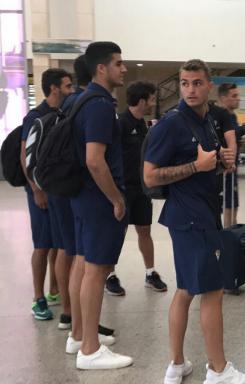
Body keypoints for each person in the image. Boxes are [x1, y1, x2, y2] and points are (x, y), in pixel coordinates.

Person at [143, 59, 245, 384]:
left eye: (196, 83)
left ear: (208, 85)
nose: (190, 89)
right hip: (191, 219)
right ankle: (218, 370)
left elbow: (206, 164)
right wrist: (197, 167)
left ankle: (176, 364)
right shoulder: (171, 123)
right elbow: (150, 176)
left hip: (201, 213)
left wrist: (220, 162)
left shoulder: (207, 121)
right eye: (185, 83)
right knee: (213, 291)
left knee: (186, 289)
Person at [69, 41, 132, 370]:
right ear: (101, 69)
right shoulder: (100, 105)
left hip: (82, 197)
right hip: (98, 199)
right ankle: (90, 350)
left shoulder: (82, 101)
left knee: (83, 265)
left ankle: (80, 335)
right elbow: (96, 161)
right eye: (118, 63)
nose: (123, 68)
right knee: (96, 271)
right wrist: (116, 199)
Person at [104, 81, 168, 296]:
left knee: (144, 230)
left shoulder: (143, 125)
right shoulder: (120, 124)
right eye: (151, 99)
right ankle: (109, 275)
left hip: (141, 189)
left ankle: (150, 273)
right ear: (142, 101)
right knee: (116, 234)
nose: (152, 103)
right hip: (122, 189)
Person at [20, 68, 73, 321]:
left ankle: (54, 290)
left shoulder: (62, 114)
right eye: (67, 86)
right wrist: (36, 190)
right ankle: (37, 298)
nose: (71, 90)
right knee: (42, 245)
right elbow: (25, 155)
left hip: (57, 191)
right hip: (40, 191)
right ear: (54, 88)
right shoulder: (36, 116)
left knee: (57, 243)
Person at [217, 83, 241, 228]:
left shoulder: (233, 116)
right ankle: (227, 237)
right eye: (234, 96)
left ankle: (232, 234)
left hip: (233, 168)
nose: (238, 99)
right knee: (227, 204)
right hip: (224, 170)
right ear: (223, 97)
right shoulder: (220, 116)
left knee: (234, 204)